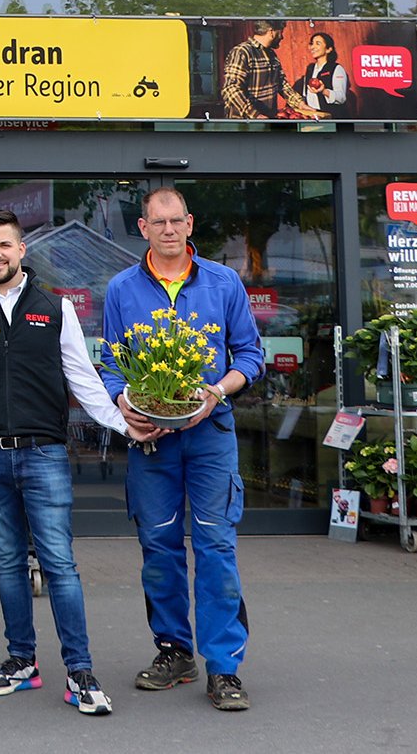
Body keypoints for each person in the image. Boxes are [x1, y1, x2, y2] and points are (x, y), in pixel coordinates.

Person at [0, 208, 128, 716]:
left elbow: (83, 379)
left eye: (4, 245)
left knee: (59, 564)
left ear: (22, 249)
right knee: (7, 563)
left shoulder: (55, 308)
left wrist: (124, 424)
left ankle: (81, 672)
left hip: (44, 452)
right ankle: (21, 662)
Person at [97, 188, 264, 713]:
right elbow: (108, 365)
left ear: (190, 224)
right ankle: (174, 651)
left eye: (176, 221)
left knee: (216, 548)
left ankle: (225, 668)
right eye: (157, 222)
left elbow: (252, 354)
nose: (168, 229)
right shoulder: (122, 289)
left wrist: (216, 390)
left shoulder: (223, 282)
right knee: (160, 549)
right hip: (152, 442)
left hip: (211, 436)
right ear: (143, 228)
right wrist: (125, 402)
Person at [220, 20, 315, 120]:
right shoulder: (242, 52)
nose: (282, 37)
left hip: (267, 120)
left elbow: (281, 84)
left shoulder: (271, 55)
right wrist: (255, 115)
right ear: (271, 32)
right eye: (281, 32)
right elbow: (230, 88)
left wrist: (299, 103)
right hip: (244, 123)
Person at [295, 31, 349, 117]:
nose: (313, 47)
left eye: (318, 44)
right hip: (313, 116)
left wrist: (323, 91)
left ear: (328, 49)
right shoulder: (310, 69)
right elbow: (305, 94)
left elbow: (341, 98)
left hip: (331, 117)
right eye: (312, 44)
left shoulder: (336, 69)